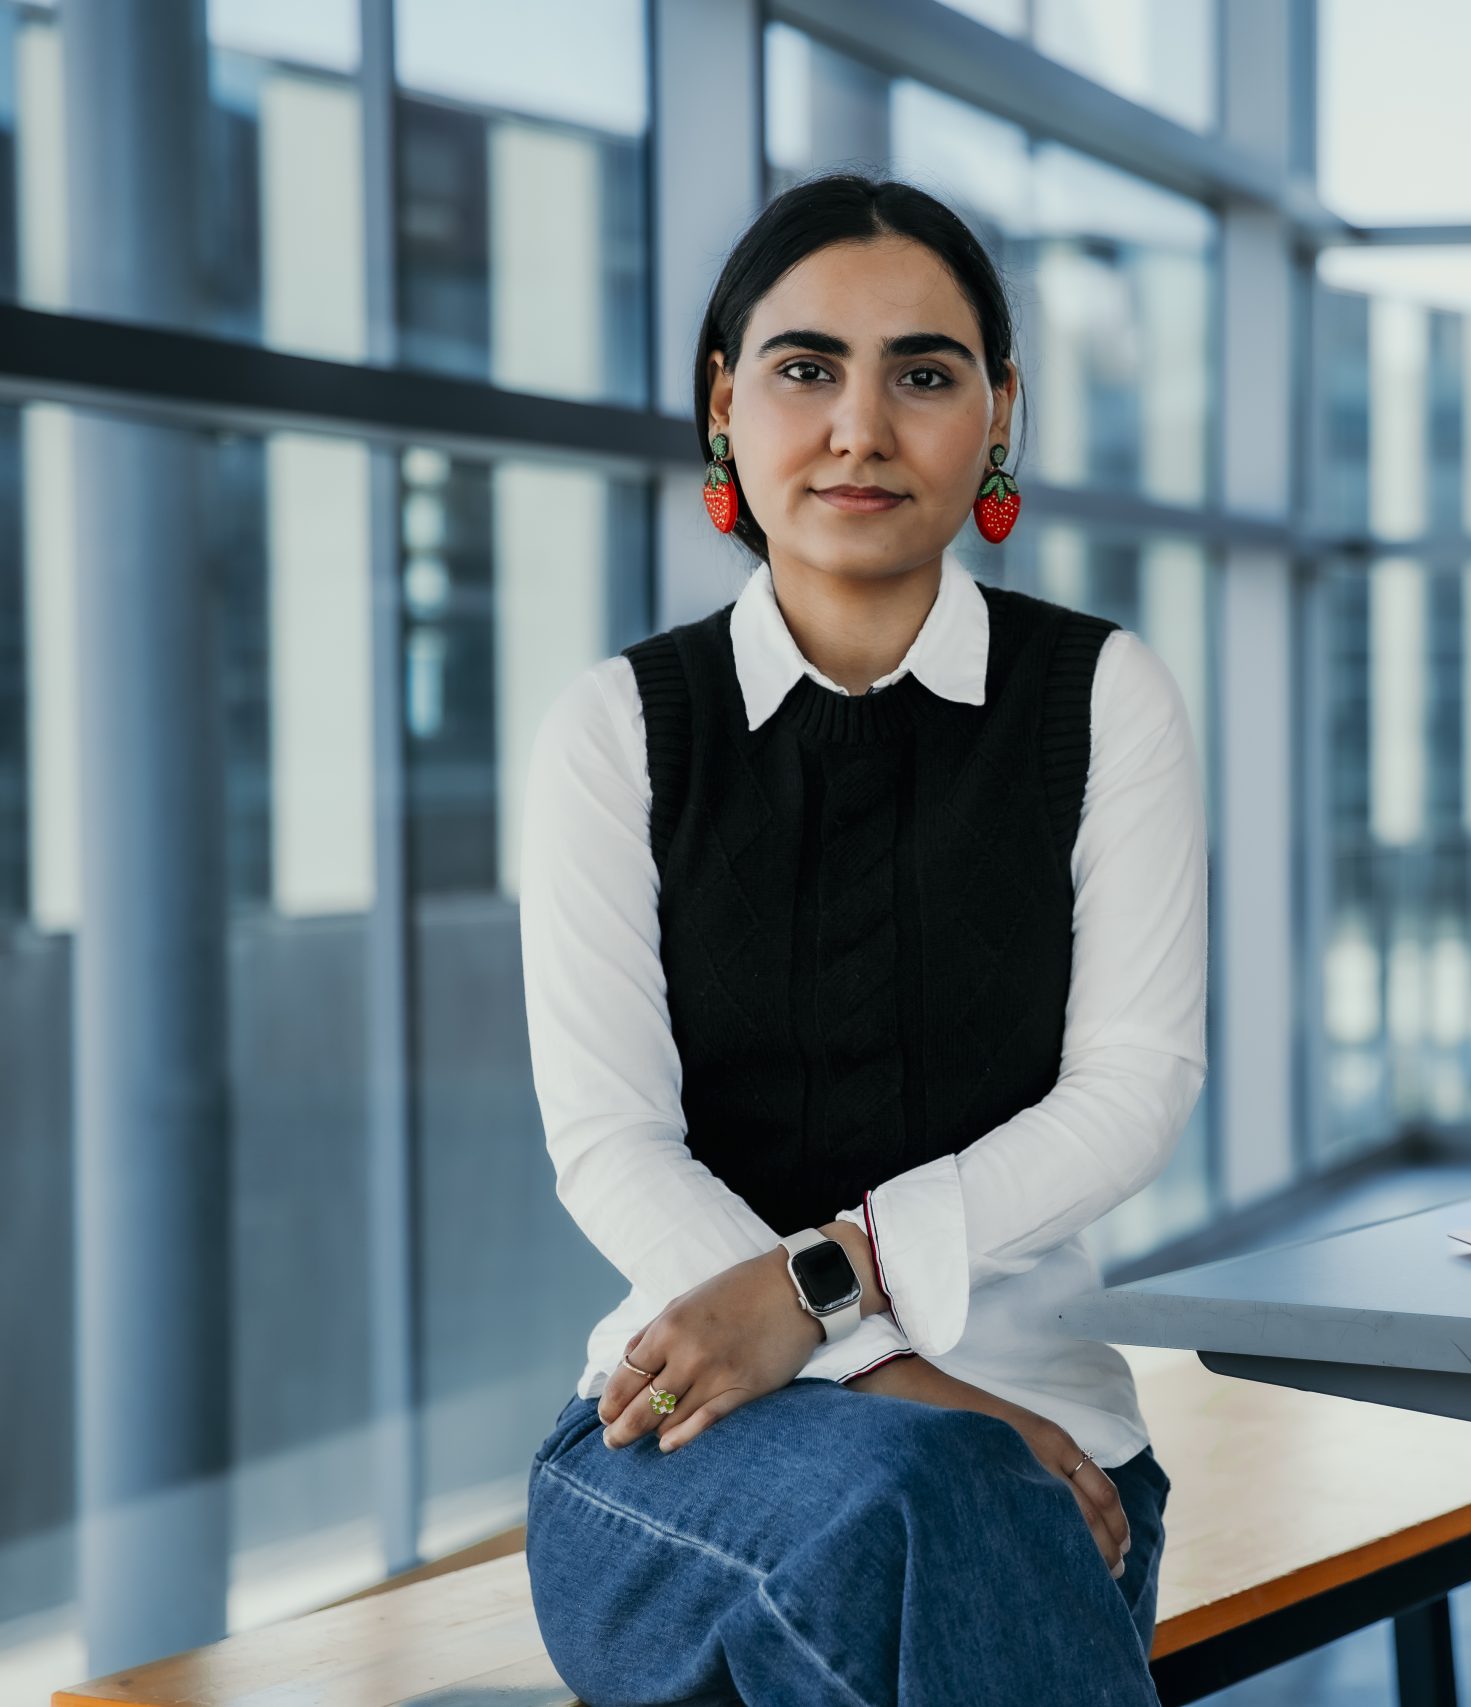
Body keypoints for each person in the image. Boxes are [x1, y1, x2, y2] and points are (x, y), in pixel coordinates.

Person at [515, 170, 1208, 1707]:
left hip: (1055, 1459)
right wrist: (890, 1369)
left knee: (946, 1506)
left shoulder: (1101, 703)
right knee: (922, 1486)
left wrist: (837, 1267)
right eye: (806, 367)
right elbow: (611, 1144)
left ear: (1000, 413)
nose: (859, 428)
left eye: (925, 373)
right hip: (682, 1449)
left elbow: (1133, 1089)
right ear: (723, 403)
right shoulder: (620, 731)